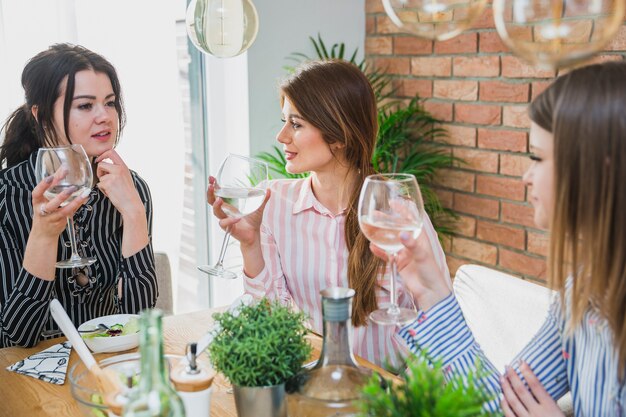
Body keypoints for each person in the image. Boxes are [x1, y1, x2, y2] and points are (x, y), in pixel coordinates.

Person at [381, 61, 626, 415]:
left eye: (537, 157)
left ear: (596, 169)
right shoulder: (584, 294)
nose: (527, 176)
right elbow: (500, 406)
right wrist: (431, 291)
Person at [207, 60, 450, 368]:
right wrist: (249, 244)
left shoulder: (397, 213)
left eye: (296, 124)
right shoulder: (273, 201)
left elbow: (441, 319)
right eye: (284, 121)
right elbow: (270, 322)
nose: (281, 137)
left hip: (384, 392)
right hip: (313, 384)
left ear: (338, 135)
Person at [0, 44, 157, 348]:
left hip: (108, 369)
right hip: (28, 382)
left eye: (110, 103)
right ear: (41, 115)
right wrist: (44, 237)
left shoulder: (131, 188)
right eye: (85, 106)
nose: (105, 117)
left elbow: (141, 320)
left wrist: (135, 215)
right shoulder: (7, 196)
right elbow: (15, 338)